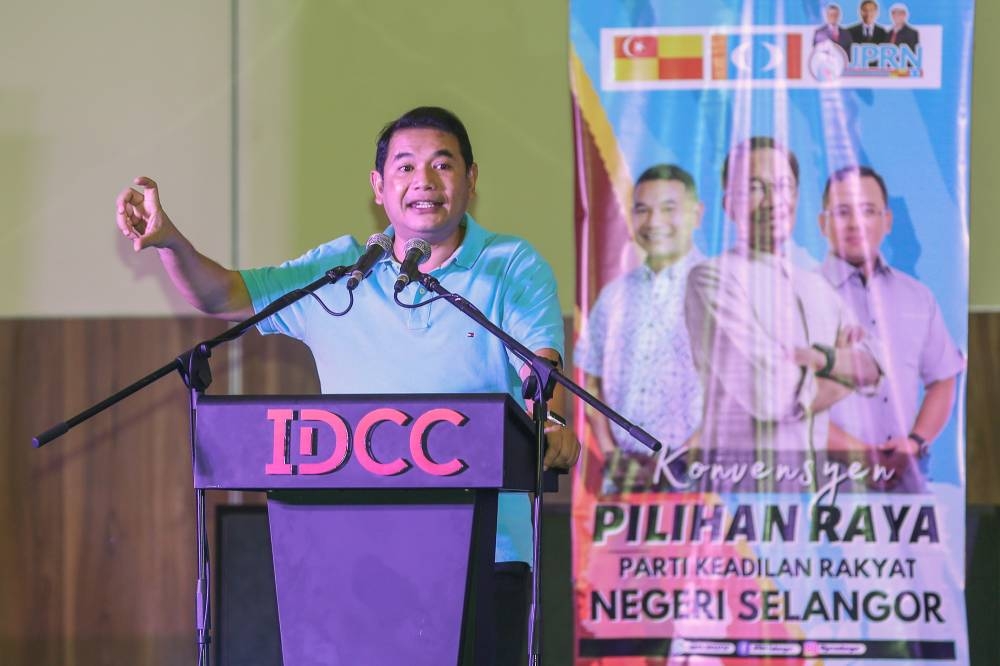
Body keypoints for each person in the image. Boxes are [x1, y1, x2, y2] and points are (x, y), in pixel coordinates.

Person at [115, 106, 580, 665]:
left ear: (471, 178)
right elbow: (224, 296)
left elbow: (539, 368)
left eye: (442, 165)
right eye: (405, 167)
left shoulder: (511, 265)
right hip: (356, 560)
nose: (424, 182)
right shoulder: (343, 271)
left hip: (488, 553)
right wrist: (170, 242)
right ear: (378, 187)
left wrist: (552, 419)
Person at [684, 137, 881, 493]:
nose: (774, 201)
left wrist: (820, 359)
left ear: (797, 197)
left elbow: (874, 365)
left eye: (783, 186)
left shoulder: (818, 287)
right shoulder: (712, 279)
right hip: (738, 494)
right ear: (729, 204)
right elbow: (770, 395)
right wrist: (844, 374)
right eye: (755, 188)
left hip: (814, 492)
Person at [818, 165, 964, 492]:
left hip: (905, 484)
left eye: (868, 211)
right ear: (822, 224)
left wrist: (915, 441)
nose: (856, 223)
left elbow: (943, 379)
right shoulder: (797, 297)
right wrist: (862, 455)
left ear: (887, 221)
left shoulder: (918, 297)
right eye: (842, 212)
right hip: (824, 488)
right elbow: (784, 402)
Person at [575, 164, 705, 492]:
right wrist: (610, 454)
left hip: (696, 474)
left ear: (697, 214)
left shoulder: (720, 291)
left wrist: (684, 458)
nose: (654, 222)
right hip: (622, 474)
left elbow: (738, 396)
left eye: (669, 209)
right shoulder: (614, 295)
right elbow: (590, 382)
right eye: (643, 210)